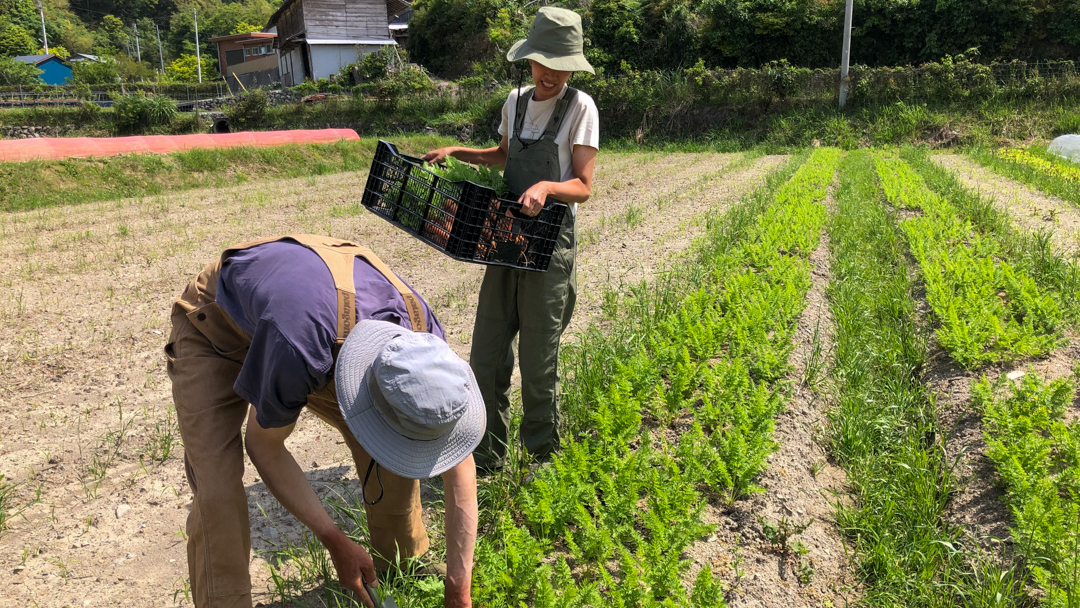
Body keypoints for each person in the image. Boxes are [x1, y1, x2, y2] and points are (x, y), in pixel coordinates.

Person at [165, 234, 483, 608]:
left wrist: (459, 590)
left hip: (310, 318)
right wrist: (334, 540)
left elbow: (459, 467)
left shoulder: (426, 348)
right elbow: (264, 446)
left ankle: (401, 565)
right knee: (216, 484)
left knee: (398, 435)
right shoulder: (301, 348)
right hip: (216, 328)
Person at [423, 7, 600, 472]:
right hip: (504, 237)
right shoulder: (515, 101)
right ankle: (484, 456)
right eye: (543, 62)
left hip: (549, 246)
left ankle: (542, 458)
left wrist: (546, 187)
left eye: (561, 64)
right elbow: (503, 156)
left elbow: (583, 184)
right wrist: (456, 151)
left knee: (539, 361)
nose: (551, 73)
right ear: (529, 60)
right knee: (487, 353)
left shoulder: (580, 108)